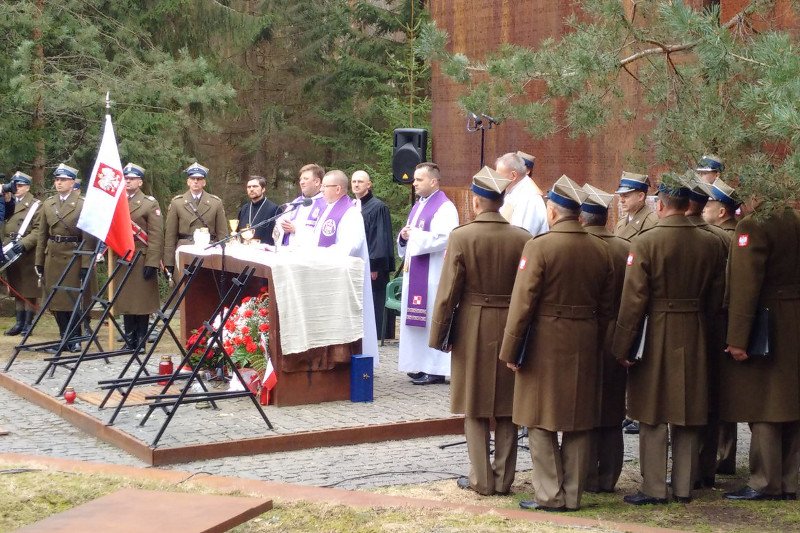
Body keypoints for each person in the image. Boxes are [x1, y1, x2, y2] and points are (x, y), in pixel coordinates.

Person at [499, 175, 614, 512]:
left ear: (552, 211)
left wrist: (511, 349)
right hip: (586, 338)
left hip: (544, 341)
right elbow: (608, 307)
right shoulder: (601, 248)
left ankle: (550, 494)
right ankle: (574, 494)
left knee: (538, 417)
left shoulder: (539, 246)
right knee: (580, 419)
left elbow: (523, 303)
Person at [612, 179, 725, 505]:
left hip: (656, 330)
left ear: (660, 205)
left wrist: (623, 345)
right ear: (690, 204)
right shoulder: (712, 242)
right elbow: (717, 298)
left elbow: (634, 300)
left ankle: (654, 487)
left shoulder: (647, 242)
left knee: (652, 410)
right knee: (688, 409)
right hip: (696, 328)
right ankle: (684, 486)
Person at [429, 166, 530, 496]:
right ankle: (503, 479)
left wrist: (440, 335)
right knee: (507, 407)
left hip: (472, 322)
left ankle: (481, 479)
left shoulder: (462, 236)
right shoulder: (523, 237)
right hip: (510, 322)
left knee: (474, 405)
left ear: (476, 202)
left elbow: (448, 293)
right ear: (501, 201)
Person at [722, 198, 800, 502]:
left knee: (766, 402)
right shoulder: (796, 218)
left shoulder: (753, 224)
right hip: (794, 317)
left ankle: (764, 481)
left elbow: (745, 284)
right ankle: (789, 481)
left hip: (767, 320)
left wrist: (738, 337)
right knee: (792, 401)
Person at [579, 183, 629, 494]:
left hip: (583, 333)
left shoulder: (580, 246)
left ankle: (583, 475)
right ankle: (608, 476)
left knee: (583, 406)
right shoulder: (625, 247)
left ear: (582, 219)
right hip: (618, 332)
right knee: (612, 407)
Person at [682, 175, 731, 489]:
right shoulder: (720, 239)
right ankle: (705, 468)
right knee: (709, 399)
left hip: (702, 324)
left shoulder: (718, 238)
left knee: (697, 398)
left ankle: (694, 470)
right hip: (713, 324)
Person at [397, 162, 459, 385]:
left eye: (418, 180)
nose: (414, 183)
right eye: (414, 179)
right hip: (415, 273)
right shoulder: (418, 206)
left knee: (433, 318)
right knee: (416, 322)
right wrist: (404, 236)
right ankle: (418, 364)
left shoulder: (445, 207)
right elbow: (412, 234)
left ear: (433, 181)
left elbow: (446, 237)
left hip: (433, 274)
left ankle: (435, 368)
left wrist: (416, 236)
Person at [309, 170, 379, 362]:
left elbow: (352, 244)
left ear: (338, 188)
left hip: (343, 278)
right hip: (326, 274)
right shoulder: (327, 209)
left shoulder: (350, 212)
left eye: (325, 186)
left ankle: (352, 362)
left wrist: (323, 254)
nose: (321, 190)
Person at [702, 177, 741, 476]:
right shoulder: (727, 235)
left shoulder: (723, 238)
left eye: (710, 203)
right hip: (725, 321)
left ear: (723, 212)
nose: (705, 208)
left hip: (719, 321)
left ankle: (722, 456)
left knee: (718, 393)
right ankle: (723, 455)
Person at [35, 163, 97, 352]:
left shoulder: (82, 204)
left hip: (73, 256)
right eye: (57, 179)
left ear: (72, 182)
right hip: (53, 256)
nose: (58, 183)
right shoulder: (49, 203)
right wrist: (39, 261)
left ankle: (75, 338)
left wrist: (86, 263)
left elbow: (88, 238)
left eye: (63, 180)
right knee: (56, 300)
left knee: (71, 299)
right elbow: (42, 235)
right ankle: (63, 337)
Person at [114, 163, 163, 349]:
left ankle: (141, 340)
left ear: (140, 182)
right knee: (126, 301)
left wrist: (152, 262)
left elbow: (156, 235)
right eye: (126, 178)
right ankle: (129, 340)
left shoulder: (149, 203)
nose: (128, 181)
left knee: (141, 303)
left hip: (141, 257)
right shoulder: (117, 202)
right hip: (122, 257)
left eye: (132, 179)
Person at [351, 170, 394, 339]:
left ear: (369, 185)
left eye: (360, 181)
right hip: (357, 261)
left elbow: (379, 237)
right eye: (354, 181)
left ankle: (377, 332)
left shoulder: (378, 207)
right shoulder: (352, 206)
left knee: (375, 296)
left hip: (373, 263)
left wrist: (374, 265)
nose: (356, 184)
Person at [163, 162, 227, 275]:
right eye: (193, 178)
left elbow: (222, 233)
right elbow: (170, 235)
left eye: (199, 178)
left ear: (204, 182)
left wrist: (224, 260)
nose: (196, 181)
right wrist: (169, 262)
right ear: (188, 182)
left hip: (209, 251)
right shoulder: (177, 203)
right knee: (184, 288)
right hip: (184, 250)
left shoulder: (215, 203)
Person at [3, 172, 40, 336]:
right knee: (15, 287)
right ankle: (19, 322)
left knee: (29, 289)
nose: (16, 188)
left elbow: (39, 230)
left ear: (28, 187)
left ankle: (28, 323)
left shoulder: (35, 205)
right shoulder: (7, 202)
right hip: (8, 250)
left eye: (20, 185)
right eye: (15, 185)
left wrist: (24, 243)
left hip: (26, 252)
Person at [274, 163, 326, 248]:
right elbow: (280, 225)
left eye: (306, 179)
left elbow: (322, 235)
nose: (301, 182)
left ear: (317, 182)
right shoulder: (296, 202)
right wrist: (283, 228)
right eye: (301, 179)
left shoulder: (325, 204)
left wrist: (295, 230)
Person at [496, 152, 548, 236]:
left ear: (513, 175)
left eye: (498, 174)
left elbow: (521, 237)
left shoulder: (528, 198)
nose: (496, 178)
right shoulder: (515, 190)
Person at [236, 176, 279, 245]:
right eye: (249, 187)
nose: (251, 189)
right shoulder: (244, 209)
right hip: (244, 251)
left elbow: (277, 235)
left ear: (263, 189)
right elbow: (237, 233)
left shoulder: (274, 209)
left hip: (264, 252)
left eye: (255, 186)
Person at [614, 171, 657, 240]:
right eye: (620, 196)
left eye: (626, 196)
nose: (621, 200)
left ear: (640, 196)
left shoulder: (653, 223)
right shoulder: (621, 223)